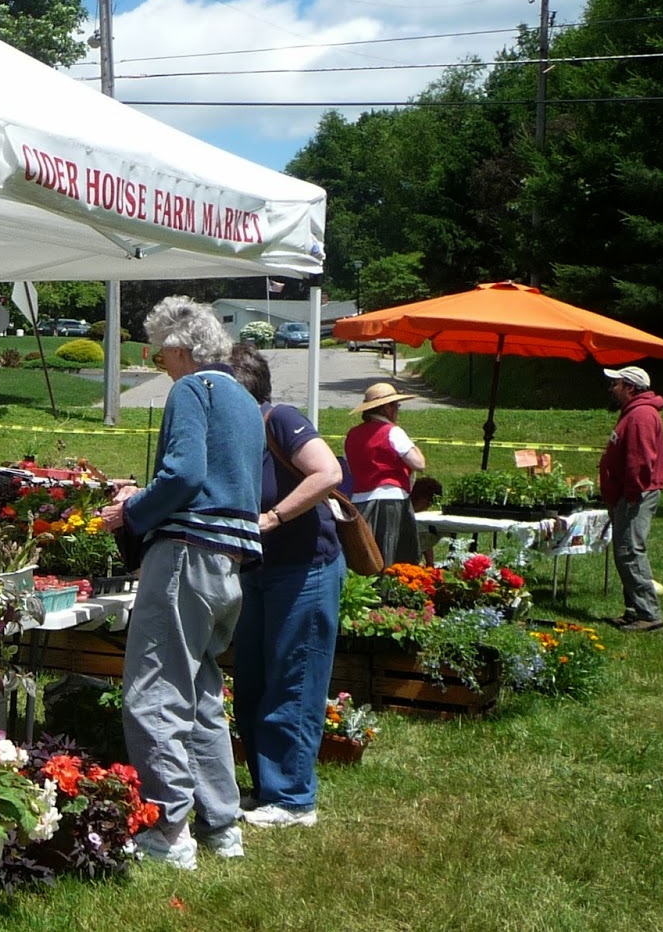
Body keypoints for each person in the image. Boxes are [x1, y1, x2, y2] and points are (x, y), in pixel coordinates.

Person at [100, 297, 261, 869]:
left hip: (186, 557)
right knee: (203, 697)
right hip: (230, 566)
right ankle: (223, 824)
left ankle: (167, 830)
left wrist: (132, 511)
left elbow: (185, 473)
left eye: (161, 348)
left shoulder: (193, 390)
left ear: (181, 348)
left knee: (155, 693)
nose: (157, 360)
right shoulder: (245, 400)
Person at [227, 343, 345, 829]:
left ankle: (293, 800)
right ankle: (266, 789)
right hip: (257, 571)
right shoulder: (234, 432)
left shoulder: (279, 419)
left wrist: (273, 517)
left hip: (304, 569)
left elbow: (329, 471)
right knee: (253, 682)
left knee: (293, 680)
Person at [599, 366, 663, 632]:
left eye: (615, 384)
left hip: (636, 494)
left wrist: (629, 496)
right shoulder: (634, 413)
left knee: (630, 551)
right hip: (630, 494)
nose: (611, 388)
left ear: (630, 387)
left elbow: (640, 462)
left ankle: (648, 615)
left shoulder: (640, 416)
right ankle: (634, 611)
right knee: (625, 551)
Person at [344, 382, 426, 566]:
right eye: (396, 406)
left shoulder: (351, 435)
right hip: (391, 501)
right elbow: (419, 463)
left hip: (359, 501)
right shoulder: (393, 432)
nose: (397, 410)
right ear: (386, 408)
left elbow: (350, 468)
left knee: (368, 557)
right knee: (393, 559)